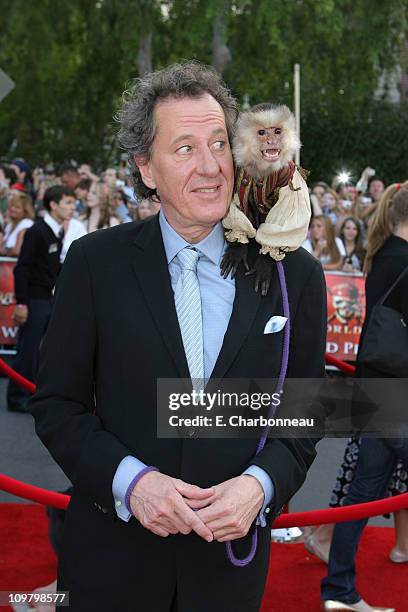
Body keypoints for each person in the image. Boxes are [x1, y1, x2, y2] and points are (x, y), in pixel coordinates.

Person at [29, 61, 327, 612]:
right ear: (146, 167)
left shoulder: (295, 275)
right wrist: (132, 482)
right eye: (185, 148)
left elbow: (304, 415)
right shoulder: (96, 264)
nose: (212, 167)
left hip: (227, 573)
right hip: (110, 563)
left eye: (219, 142)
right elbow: (57, 406)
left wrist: (259, 486)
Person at [321, 182, 408, 612]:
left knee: (362, 494)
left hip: (378, 388)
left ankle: (338, 590)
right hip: (398, 393)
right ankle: (337, 590)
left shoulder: (381, 255)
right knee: (363, 493)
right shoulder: (404, 260)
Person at [7, 185, 75, 413]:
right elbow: (22, 268)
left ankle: (33, 394)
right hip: (34, 300)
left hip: (48, 299)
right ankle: (17, 397)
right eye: (67, 203)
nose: (72, 207)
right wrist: (22, 303)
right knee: (27, 350)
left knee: (41, 351)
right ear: (53, 205)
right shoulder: (37, 231)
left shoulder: (58, 232)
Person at [0, 190, 35, 256]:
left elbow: (17, 251)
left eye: (17, 207)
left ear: (25, 211)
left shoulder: (27, 224)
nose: (12, 209)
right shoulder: (9, 225)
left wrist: (4, 251)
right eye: (12, 206)